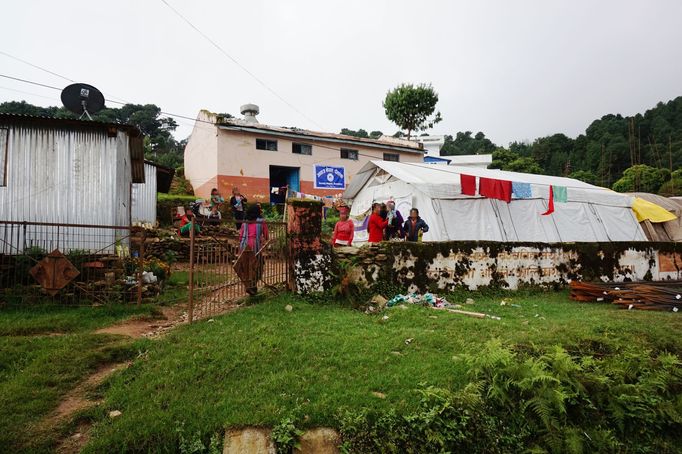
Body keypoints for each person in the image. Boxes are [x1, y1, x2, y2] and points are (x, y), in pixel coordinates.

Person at [239, 205, 269, 295]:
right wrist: (262, 241)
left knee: (246, 267)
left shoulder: (244, 223)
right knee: (258, 266)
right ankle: (252, 285)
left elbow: (240, 237)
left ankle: (250, 286)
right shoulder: (261, 222)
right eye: (260, 210)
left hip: (244, 246)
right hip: (255, 246)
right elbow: (266, 236)